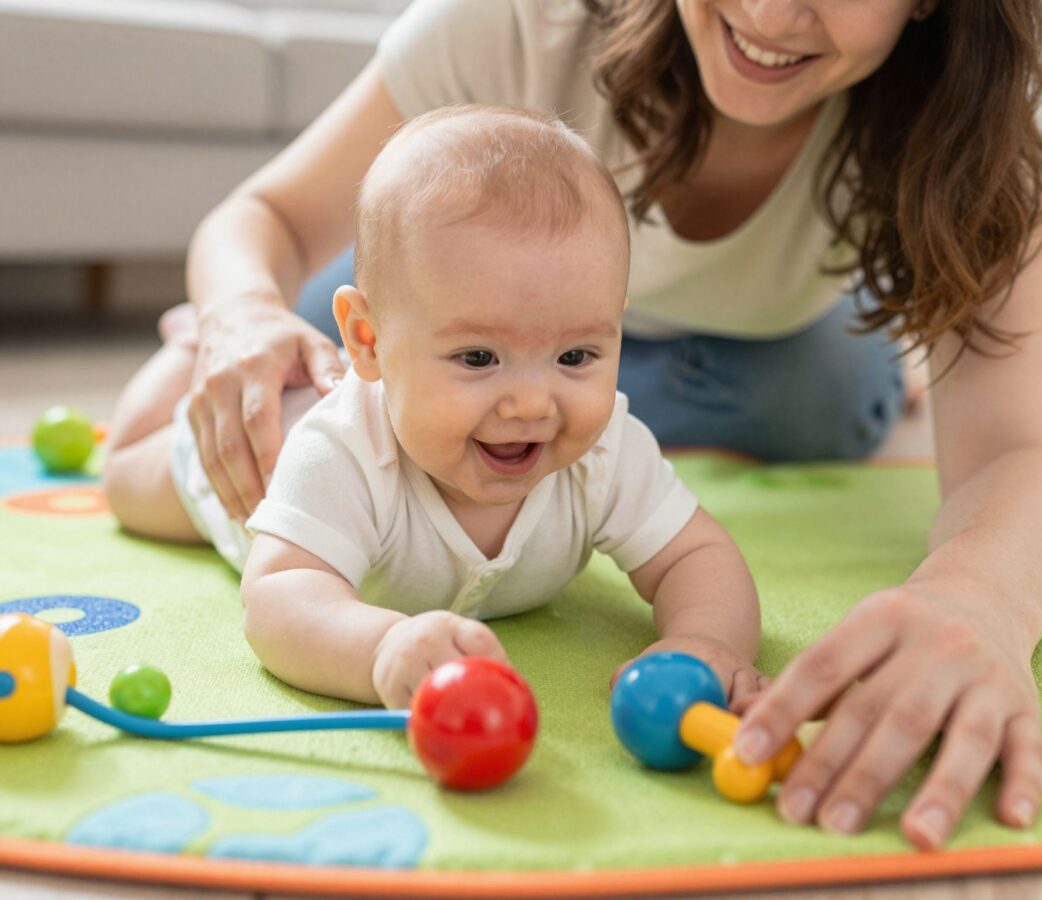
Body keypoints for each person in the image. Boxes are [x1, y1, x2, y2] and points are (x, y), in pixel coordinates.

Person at [166, 0, 1042, 849]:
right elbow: (266, 219)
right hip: (467, 325)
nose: (771, 18)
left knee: (823, 396)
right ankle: (928, 365)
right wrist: (239, 313)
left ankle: (925, 365)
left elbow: (1023, 454)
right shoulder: (526, 19)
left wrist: (981, 599)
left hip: (774, 354)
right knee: (245, 390)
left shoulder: (962, 119)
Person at [102, 105, 764, 711]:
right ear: (367, 340)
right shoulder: (339, 454)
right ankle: (189, 348)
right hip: (263, 441)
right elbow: (278, 601)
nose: (533, 403)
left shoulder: (607, 450)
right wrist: (382, 648)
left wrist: (705, 640)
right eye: (478, 358)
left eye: (576, 357)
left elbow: (697, 556)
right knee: (131, 480)